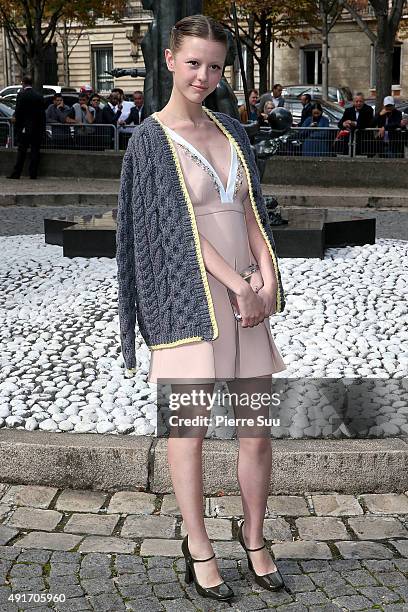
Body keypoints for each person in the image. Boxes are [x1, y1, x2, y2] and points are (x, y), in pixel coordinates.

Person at [116, 14, 287, 603]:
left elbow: (251, 213)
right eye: (193, 62)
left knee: (256, 433)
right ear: (169, 60)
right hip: (188, 307)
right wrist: (237, 286)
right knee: (188, 433)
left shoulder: (232, 132)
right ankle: (199, 548)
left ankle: (256, 537)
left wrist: (265, 280)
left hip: (247, 300)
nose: (204, 75)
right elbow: (163, 232)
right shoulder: (149, 140)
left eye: (214, 65)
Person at [7, 75, 46, 179]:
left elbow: (19, 110)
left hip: (24, 128)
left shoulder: (21, 95)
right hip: (36, 128)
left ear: (23, 83)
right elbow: (42, 114)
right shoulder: (38, 96)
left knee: (22, 151)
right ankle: (33, 174)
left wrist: (16, 121)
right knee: (35, 151)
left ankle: (16, 173)